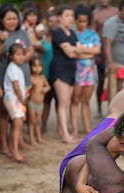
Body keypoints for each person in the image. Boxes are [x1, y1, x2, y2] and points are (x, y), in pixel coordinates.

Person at [0, 4, 34, 156]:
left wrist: (24, 57)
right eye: (9, 18)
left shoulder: (22, 32)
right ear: (2, 19)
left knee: (19, 114)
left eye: (14, 18)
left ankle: (18, 141)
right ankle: (4, 145)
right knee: (4, 114)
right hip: (4, 79)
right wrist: (1, 41)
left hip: (23, 78)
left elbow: (30, 49)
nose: (12, 21)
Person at [50, 4, 81, 144]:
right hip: (59, 70)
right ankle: (65, 134)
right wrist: (76, 50)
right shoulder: (57, 32)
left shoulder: (73, 33)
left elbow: (81, 51)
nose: (70, 19)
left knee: (67, 102)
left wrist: (75, 49)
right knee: (63, 102)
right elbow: (70, 52)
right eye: (67, 16)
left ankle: (62, 130)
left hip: (71, 70)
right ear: (59, 17)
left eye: (71, 16)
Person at [71, 5, 101, 137]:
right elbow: (72, 53)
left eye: (85, 21)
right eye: (80, 21)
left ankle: (87, 128)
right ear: (75, 20)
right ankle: (75, 130)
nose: (82, 24)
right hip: (75, 71)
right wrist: (88, 52)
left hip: (89, 71)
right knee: (75, 100)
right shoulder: (71, 34)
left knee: (86, 100)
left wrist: (81, 50)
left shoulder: (93, 34)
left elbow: (97, 50)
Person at [90, 0, 118, 117]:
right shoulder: (95, 14)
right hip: (101, 51)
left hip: (115, 50)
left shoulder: (116, 12)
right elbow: (93, 33)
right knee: (101, 81)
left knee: (117, 80)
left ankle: (115, 109)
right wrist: (95, 54)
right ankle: (99, 108)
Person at [3, 43, 29, 164]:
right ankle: (14, 151)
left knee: (17, 124)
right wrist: (22, 99)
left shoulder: (17, 68)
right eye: (17, 54)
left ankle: (14, 149)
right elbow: (16, 86)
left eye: (22, 54)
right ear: (11, 56)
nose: (20, 57)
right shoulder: (12, 68)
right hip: (13, 99)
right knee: (17, 124)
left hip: (16, 100)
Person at [27, 56, 51, 145]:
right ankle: (31, 139)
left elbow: (48, 86)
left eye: (39, 66)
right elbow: (27, 90)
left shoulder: (42, 77)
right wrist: (31, 87)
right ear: (31, 67)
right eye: (34, 66)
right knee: (31, 122)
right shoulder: (31, 78)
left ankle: (39, 137)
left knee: (37, 122)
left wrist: (45, 89)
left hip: (40, 104)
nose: (37, 68)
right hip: (32, 103)